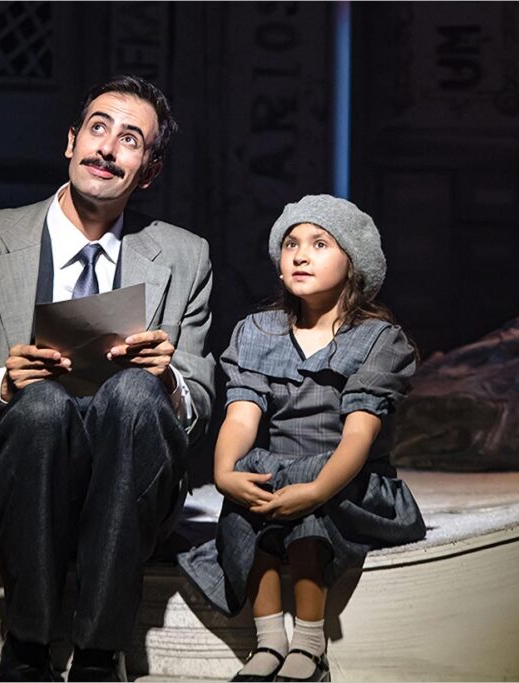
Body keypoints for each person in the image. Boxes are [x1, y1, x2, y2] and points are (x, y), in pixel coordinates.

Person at [0, 75, 215, 682]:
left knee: (135, 390)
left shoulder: (184, 256)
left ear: (148, 171)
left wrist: (169, 384)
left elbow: (201, 398)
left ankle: (100, 655)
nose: (107, 148)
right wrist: (1, 383)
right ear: (71, 141)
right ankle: (28, 648)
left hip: (128, 480)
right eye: (98, 128)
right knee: (44, 406)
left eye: (130, 139)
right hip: (20, 472)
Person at [177, 195, 426, 682]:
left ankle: (309, 645)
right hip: (283, 469)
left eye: (319, 243)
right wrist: (225, 472)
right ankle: (269, 640)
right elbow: (242, 416)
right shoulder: (259, 331)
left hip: (348, 482)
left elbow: (358, 435)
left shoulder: (377, 340)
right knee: (256, 477)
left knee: (305, 488)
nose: (300, 254)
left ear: (353, 263)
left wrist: (315, 489)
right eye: (291, 243)